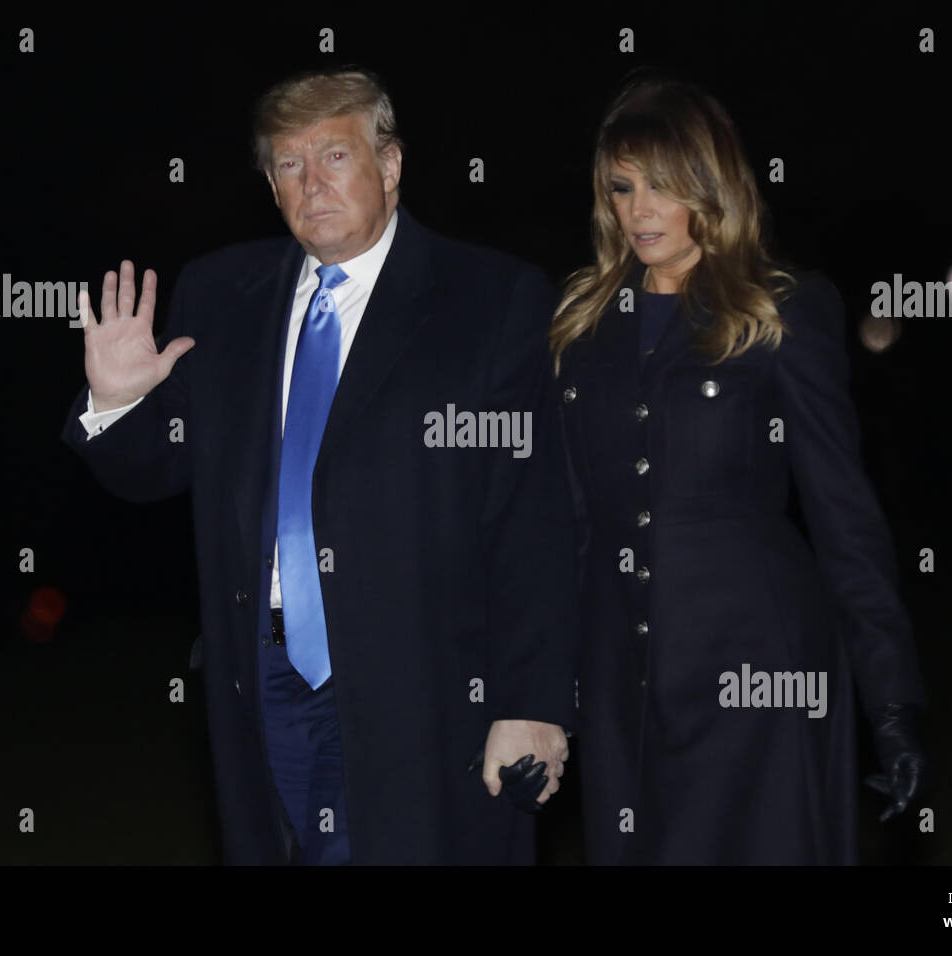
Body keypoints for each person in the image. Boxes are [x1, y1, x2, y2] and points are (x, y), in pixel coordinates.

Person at [60, 66, 577, 864]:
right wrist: (117, 402)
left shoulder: (491, 299)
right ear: (270, 185)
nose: (312, 184)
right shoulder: (221, 294)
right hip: (261, 681)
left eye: (334, 157)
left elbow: (535, 518)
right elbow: (152, 472)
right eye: (289, 165)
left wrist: (532, 701)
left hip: (426, 688)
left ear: (391, 165)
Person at [550, 72, 930, 864]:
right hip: (626, 686)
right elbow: (572, 528)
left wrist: (891, 700)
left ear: (710, 188)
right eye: (623, 187)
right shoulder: (581, 328)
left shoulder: (781, 308)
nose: (641, 209)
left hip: (760, 676)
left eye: (665, 185)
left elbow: (843, 516)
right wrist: (545, 696)